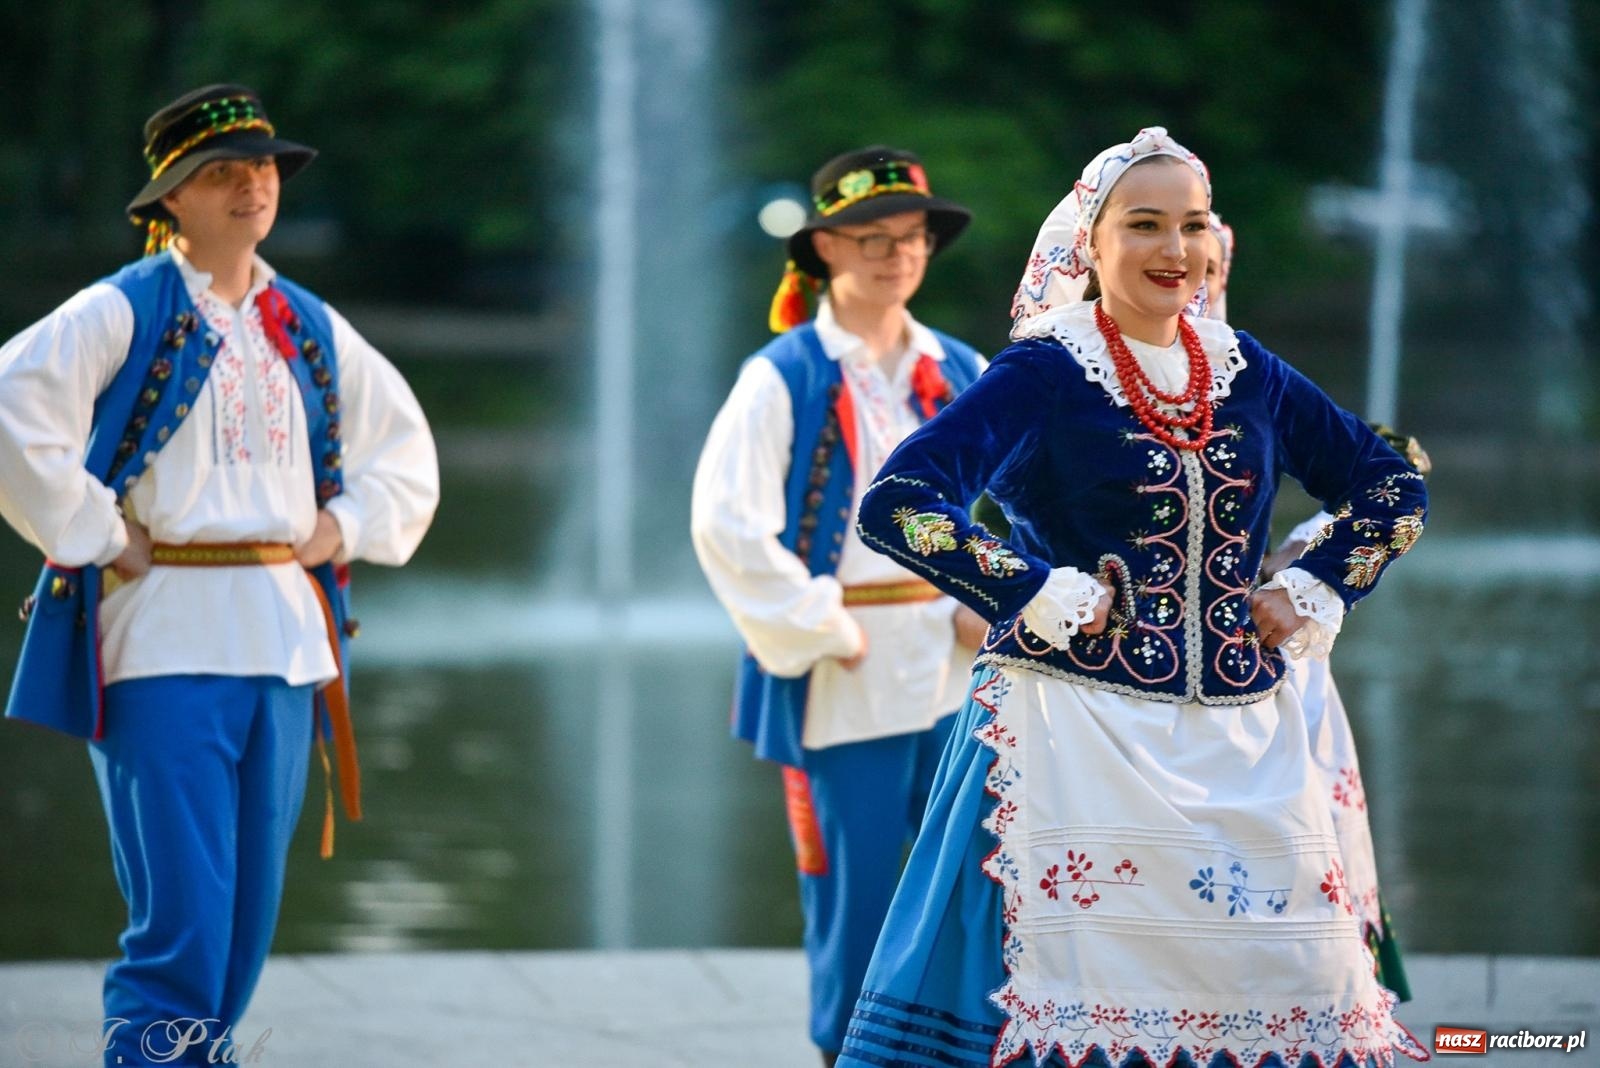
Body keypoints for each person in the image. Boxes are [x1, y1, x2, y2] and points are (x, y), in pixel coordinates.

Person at [837, 128, 1428, 1068]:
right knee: (1068, 1000)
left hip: (1248, 741)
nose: (1174, 249)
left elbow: (1392, 488)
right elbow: (900, 503)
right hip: (1071, 733)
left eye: (1192, 225)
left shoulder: (1247, 370)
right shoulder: (1045, 371)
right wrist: (1032, 588)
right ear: (1093, 242)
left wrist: (1315, 583)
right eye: (1144, 225)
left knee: (1289, 987)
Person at [0, 84, 438, 1067]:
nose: (253, 186)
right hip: (162, 640)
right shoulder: (123, 308)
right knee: (181, 926)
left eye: (264, 168)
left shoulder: (305, 323)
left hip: (284, 645)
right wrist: (97, 530)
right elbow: (9, 413)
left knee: (243, 923)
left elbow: (405, 455)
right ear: (172, 197)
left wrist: (343, 525)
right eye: (223, 172)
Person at [691, 145, 988, 1066]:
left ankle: (958, 1048)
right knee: (854, 891)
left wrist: (992, 597)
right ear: (824, 247)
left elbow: (1018, 507)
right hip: (844, 664)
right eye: (873, 238)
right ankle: (848, 1054)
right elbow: (725, 526)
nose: (898, 256)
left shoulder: (961, 368)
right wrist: (824, 624)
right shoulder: (785, 374)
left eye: (913, 238)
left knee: (971, 882)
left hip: (954, 662)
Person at [1209, 215, 1426, 1002]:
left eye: (1210, 265)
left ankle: (1311, 997)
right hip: (1143, 662)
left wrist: (1302, 572)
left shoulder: (1252, 379)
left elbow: (1390, 483)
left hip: (1269, 660)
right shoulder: (1085, 381)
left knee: (1292, 848)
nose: (1193, 277)